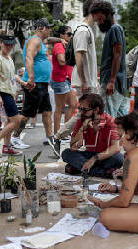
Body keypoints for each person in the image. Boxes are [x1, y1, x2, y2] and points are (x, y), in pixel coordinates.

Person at [50, 0, 98, 158]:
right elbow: (79, 56)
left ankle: (82, 143)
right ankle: (58, 137)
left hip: (87, 81)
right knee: (84, 113)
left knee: (87, 114)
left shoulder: (86, 30)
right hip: (83, 82)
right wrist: (85, 81)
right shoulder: (83, 31)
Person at [13, 18, 57, 147]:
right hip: (35, 83)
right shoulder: (35, 41)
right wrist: (31, 78)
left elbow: (50, 39)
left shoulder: (41, 41)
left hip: (42, 83)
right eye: (48, 27)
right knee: (27, 114)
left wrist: (60, 40)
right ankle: (15, 137)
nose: (50, 30)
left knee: (47, 111)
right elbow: (28, 57)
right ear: (41, 28)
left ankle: (50, 137)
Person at [61, 93, 123, 178]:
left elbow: (116, 147)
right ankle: (103, 173)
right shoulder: (81, 121)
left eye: (85, 110)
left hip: (105, 156)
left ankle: (80, 168)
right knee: (66, 153)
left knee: (119, 158)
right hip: (89, 154)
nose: (81, 112)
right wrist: (82, 128)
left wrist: (94, 159)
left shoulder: (110, 122)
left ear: (96, 110)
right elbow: (73, 147)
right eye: (80, 109)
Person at [0, 32, 24, 156]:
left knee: (9, 121)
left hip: (10, 91)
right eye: (7, 44)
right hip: (3, 93)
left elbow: (11, 77)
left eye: (11, 44)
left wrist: (23, 82)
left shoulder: (9, 58)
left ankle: (6, 147)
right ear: (0, 43)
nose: (9, 47)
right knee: (16, 120)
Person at [90, 1, 128, 118]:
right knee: (122, 119)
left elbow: (118, 55)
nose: (99, 22)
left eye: (100, 19)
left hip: (113, 83)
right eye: (97, 21)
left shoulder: (114, 29)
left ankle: (111, 137)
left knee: (108, 118)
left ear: (108, 14)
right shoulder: (114, 30)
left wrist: (111, 81)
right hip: (117, 82)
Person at [51, 25, 77, 135]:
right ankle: (57, 135)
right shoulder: (58, 45)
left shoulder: (67, 45)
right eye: (69, 34)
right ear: (61, 35)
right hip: (60, 80)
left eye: (72, 34)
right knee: (60, 108)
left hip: (66, 80)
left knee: (73, 105)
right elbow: (62, 61)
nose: (71, 36)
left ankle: (64, 132)